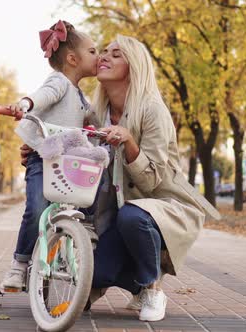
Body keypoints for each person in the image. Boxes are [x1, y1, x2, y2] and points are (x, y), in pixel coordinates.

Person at [83, 35, 220, 322]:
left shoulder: (152, 110)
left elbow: (151, 182)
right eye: (104, 51)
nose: (105, 56)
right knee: (98, 273)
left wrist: (130, 143)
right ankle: (136, 286)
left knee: (134, 217)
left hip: (162, 203)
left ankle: (153, 287)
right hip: (120, 209)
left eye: (116, 54)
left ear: (134, 66)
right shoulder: (96, 114)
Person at [0, 20, 99, 291]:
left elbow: (92, 119)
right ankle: (19, 265)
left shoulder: (81, 96)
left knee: (77, 206)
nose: (98, 56)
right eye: (93, 51)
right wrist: (24, 104)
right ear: (72, 58)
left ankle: (71, 247)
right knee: (36, 210)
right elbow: (43, 95)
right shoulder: (60, 82)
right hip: (42, 159)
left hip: (67, 163)